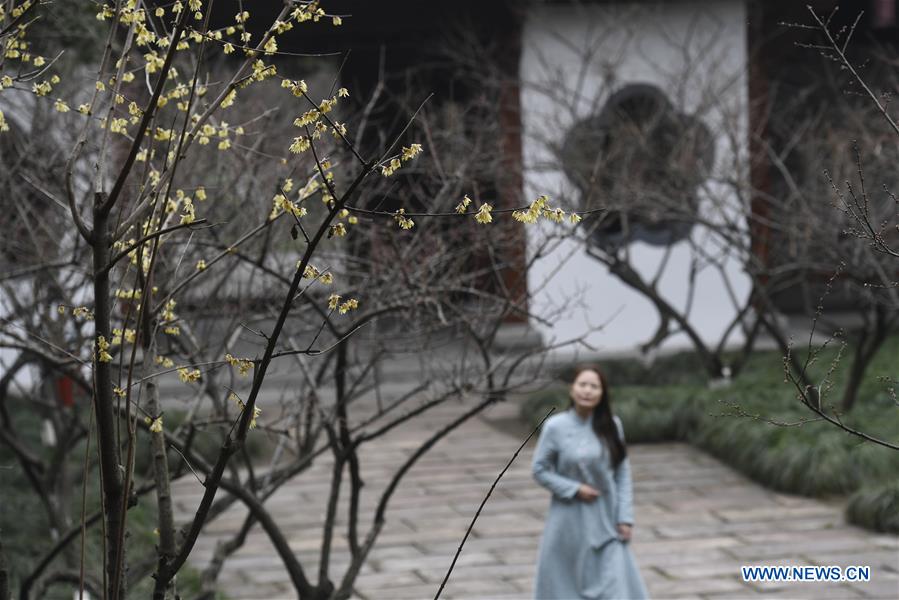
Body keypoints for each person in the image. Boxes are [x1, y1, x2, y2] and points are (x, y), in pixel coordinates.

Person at [532, 365, 649, 599]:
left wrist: (625, 517)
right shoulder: (555, 427)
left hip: (606, 520)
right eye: (582, 384)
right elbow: (539, 470)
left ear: (602, 393)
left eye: (594, 386)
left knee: (615, 586)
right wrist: (573, 489)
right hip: (568, 521)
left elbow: (622, 474)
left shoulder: (612, 426)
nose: (587, 391)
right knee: (566, 586)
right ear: (571, 389)